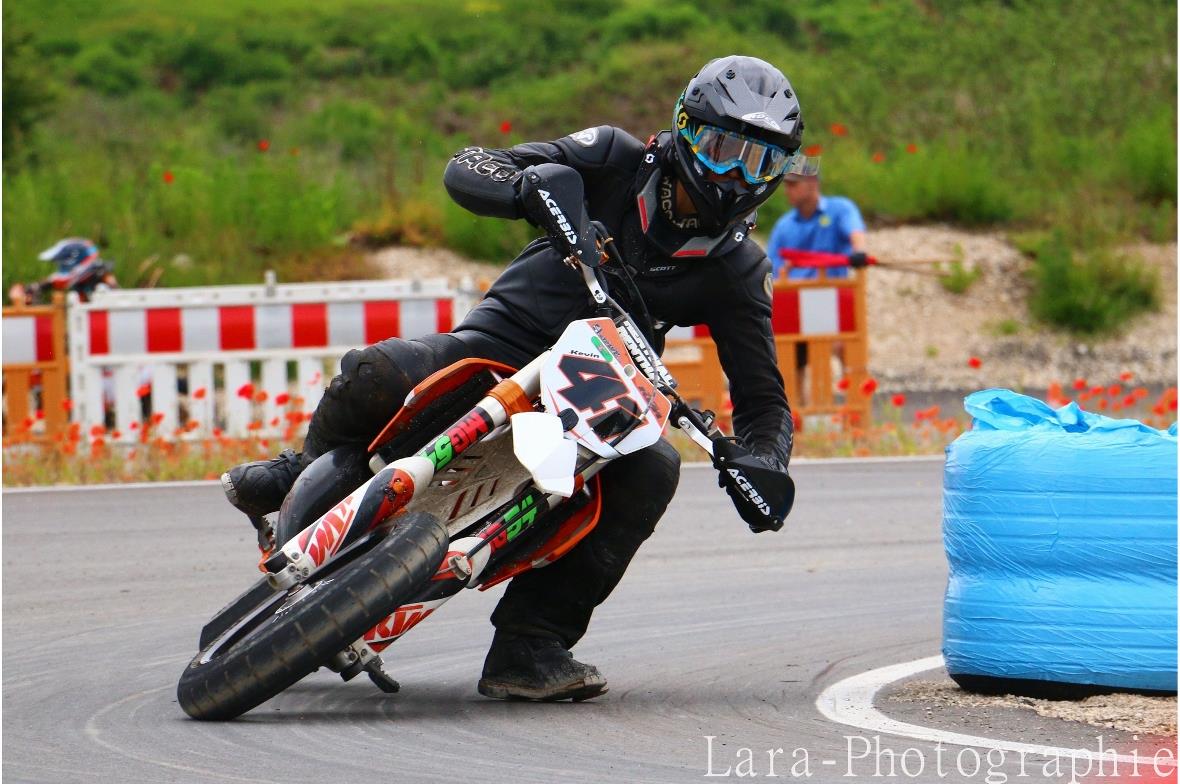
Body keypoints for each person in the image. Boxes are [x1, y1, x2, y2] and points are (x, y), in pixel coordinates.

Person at [222, 55, 802, 702]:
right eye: (725, 149)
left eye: (760, 161)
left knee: (655, 468)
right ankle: (296, 469)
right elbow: (471, 165)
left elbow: (763, 401)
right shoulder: (613, 157)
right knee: (376, 369)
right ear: (687, 130)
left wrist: (762, 461)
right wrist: (525, 190)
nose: (736, 174)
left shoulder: (737, 269)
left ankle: (531, 645)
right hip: (502, 339)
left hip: (592, 388)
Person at [765, 160, 868, 279]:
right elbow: (770, 267)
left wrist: (859, 252)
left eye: (793, 185)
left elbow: (855, 232)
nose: (786, 191)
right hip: (793, 294)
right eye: (786, 185)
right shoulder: (783, 225)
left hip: (831, 292)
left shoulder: (840, 209)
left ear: (812, 182)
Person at [8, 237, 118, 305]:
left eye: (64, 263)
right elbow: (55, 280)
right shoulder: (80, 279)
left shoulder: (103, 278)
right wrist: (29, 290)